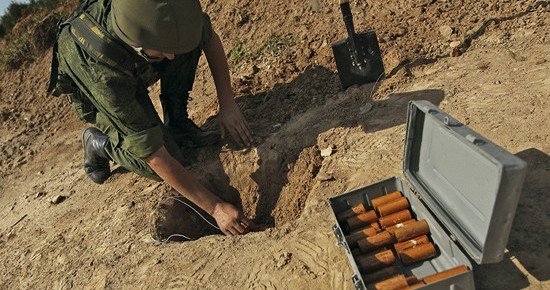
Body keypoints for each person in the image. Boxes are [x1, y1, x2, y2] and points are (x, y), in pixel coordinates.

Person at [49, 0, 254, 236]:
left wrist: (228, 105)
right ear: (137, 43)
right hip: (100, 76)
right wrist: (215, 207)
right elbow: (154, 154)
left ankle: (177, 123)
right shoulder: (103, 78)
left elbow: (205, 36)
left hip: (135, 57)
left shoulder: (169, 13)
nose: (170, 56)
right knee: (168, 159)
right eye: (162, 49)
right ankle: (100, 144)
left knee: (181, 47)